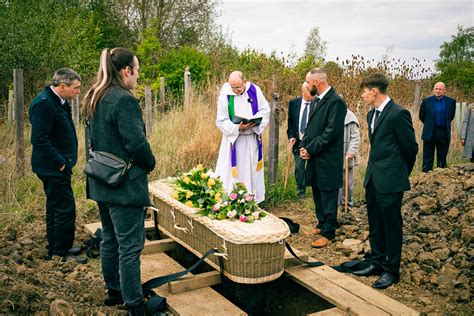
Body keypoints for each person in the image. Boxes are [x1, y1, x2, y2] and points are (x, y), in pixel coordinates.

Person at [82, 47, 156, 315]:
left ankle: (114, 292)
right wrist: (150, 163)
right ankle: (134, 304)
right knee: (130, 246)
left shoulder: (95, 95)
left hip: (101, 180)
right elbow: (136, 143)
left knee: (110, 240)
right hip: (124, 185)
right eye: (137, 70)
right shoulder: (123, 100)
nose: (137, 76)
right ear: (127, 71)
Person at [353, 73, 418, 289]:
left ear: (374, 91)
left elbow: (411, 148)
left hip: (391, 180)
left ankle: (392, 270)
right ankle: (377, 262)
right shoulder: (371, 114)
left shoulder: (399, 114)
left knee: (392, 226)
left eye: (364, 91)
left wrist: (399, 173)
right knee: (375, 222)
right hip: (373, 178)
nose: (362, 95)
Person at [29, 68, 86, 264]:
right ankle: (61, 252)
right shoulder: (43, 104)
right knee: (64, 208)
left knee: (55, 206)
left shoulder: (59, 102)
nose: (78, 92)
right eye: (76, 88)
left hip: (56, 166)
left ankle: (55, 247)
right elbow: (39, 140)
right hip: (52, 168)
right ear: (62, 86)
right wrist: (60, 163)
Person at [300, 68, 347, 248]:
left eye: (308, 82)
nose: (306, 85)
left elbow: (330, 134)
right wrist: (304, 147)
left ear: (317, 83)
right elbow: (311, 129)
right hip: (315, 156)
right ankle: (321, 224)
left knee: (328, 194)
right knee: (318, 191)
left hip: (327, 158)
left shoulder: (336, 102)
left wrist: (310, 149)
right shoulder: (317, 101)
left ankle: (329, 232)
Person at [215, 71, 270, 203]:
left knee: (251, 169)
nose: (236, 90)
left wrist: (254, 123)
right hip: (234, 141)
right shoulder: (224, 96)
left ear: (244, 82)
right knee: (234, 173)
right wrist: (237, 127)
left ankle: (252, 200)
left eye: (238, 87)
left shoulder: (254, 90)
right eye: (233, 88)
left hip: (251, 138)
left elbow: (265, 110)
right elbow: (220, 120)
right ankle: (232, 200)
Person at [419, 82, 456, 172]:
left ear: (444, 90)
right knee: (428, 157)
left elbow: (450, 116)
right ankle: (426, 176)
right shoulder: (426, 101)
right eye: (436, 89)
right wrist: (430, 124)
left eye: (440, 89)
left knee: (442, 157)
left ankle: (442, 177)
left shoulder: (451, 102)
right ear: (433, 89)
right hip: (430, 132)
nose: (438, 91)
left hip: (443, 132)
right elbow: (421, 116)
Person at [287, 82, 314, 197]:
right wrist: (291, 136)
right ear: (303, 92)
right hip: (298, 140)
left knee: (313, 166)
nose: (312, 95)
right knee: (299, 167)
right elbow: (290, 123)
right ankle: (301, 191)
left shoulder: (317, 104)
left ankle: (314, 190)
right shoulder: (294, 103)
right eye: (309, 92)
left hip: (312, 141)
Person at [338, 108, 360, 213]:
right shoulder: (330, 114)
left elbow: (355, 137)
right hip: (333, 157)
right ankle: (336, 205)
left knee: (347, 183)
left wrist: (351, 151)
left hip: (346, 156)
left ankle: (347, 205)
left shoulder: (350, 117)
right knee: (335, 183)